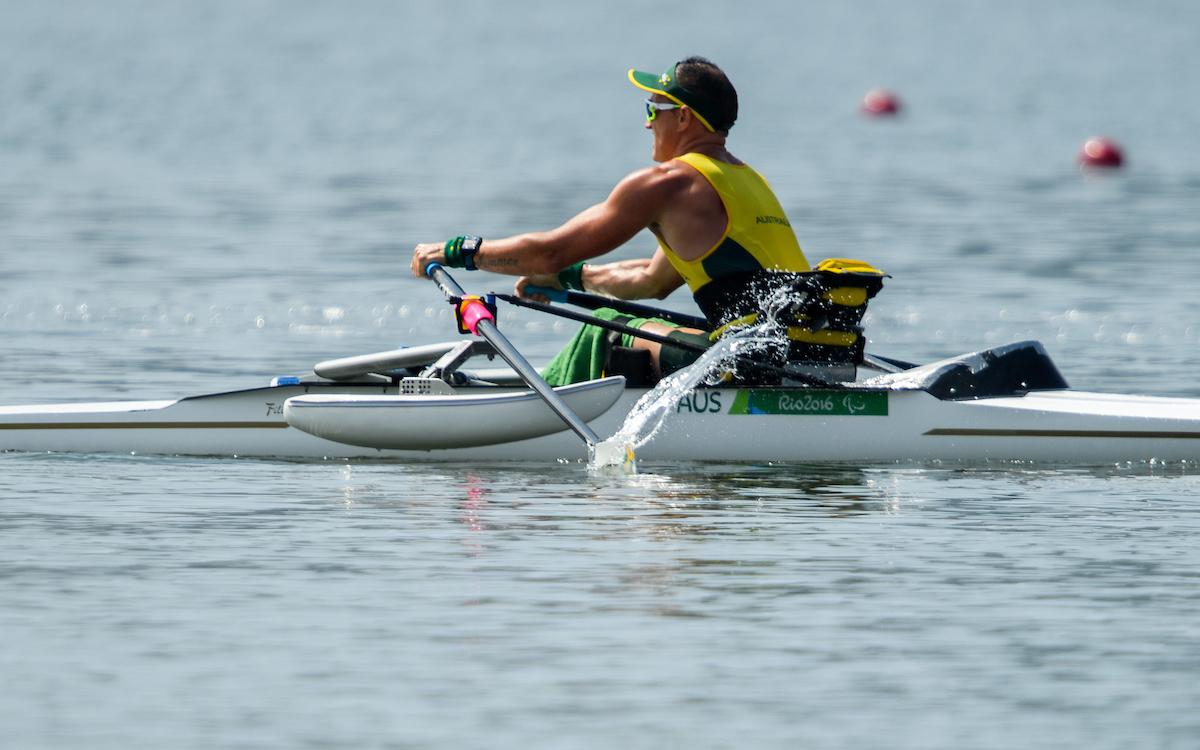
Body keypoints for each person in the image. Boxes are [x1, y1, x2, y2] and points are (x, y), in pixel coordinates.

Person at [411, 56, 833, 385]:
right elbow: (651, 281)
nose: (647, 122)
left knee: (608, 328)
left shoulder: (669, 183)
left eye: (654, 109)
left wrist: (459, 251)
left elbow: (548, 252)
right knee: (644, 322)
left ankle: (537, 417)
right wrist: (570, 279)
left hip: (748, 363)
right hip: (802, 357)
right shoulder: (746, 179)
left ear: (683, 117)